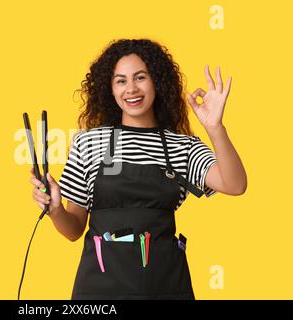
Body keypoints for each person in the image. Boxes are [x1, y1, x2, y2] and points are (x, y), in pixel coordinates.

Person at [29, 38, 247, 300]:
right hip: (100, 292)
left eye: (140, 77)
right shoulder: (90, 143)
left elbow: (235, 185)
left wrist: (215, 128)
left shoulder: (181, 147)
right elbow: (74, 229)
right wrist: (55, 210)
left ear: (156, 80)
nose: (131, 89)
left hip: (165, 287)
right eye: (121, 80)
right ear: (110, 89)